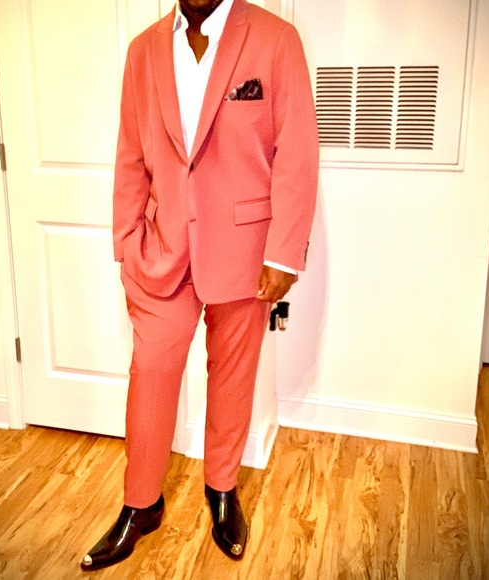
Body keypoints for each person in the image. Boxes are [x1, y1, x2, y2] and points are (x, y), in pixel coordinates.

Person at [81, 0, 318, 570]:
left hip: (245, 252)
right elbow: (130, 155)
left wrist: (283, 255)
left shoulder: (276, 40)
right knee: (151, 373)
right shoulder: (143, 52)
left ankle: (221, 489)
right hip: (161, 248)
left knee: (233, 376)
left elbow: (296, 154)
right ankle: (141, 503)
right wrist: (125, 242)